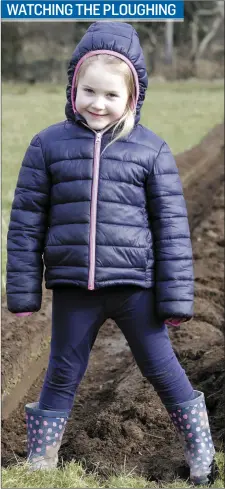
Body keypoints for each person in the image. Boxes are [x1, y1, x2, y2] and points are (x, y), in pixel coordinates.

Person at [6, 22, 215, 485]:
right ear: (72, 87)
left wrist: (177, 299)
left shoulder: (152, 150)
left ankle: (202, 454)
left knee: (162, 368)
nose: (98, 103)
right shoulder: (47, 146)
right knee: (62, 372)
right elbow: (25, 223)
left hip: (135, 288)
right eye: (88, 91)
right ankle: (41, 465)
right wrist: (22, 292)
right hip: (74, 289)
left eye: (110, 95)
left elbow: (172, 231)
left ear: (133, 97)